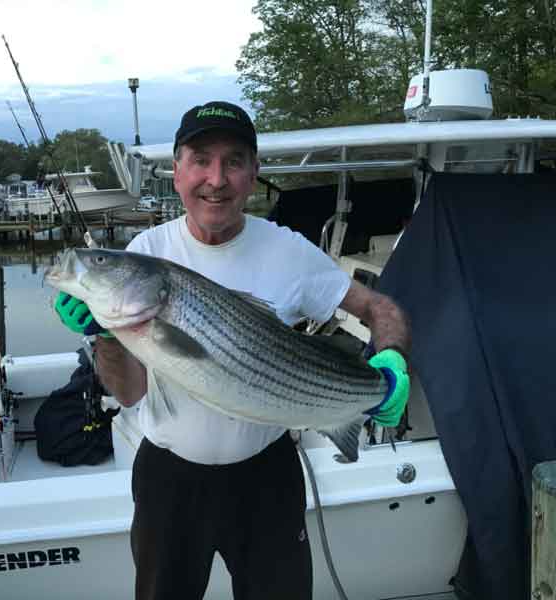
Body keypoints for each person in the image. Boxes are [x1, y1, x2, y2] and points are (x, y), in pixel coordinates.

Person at [55, 100, 411, 600]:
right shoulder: (147, 255)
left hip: (267, 477)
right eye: (200, 159)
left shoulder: (288, 251)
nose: (216, 178)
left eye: (234, 161)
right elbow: (131, 393)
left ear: (253, 175)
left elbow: (380, 309)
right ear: (177, 171)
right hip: (170, 480)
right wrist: (104, 335)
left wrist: (391, 360)